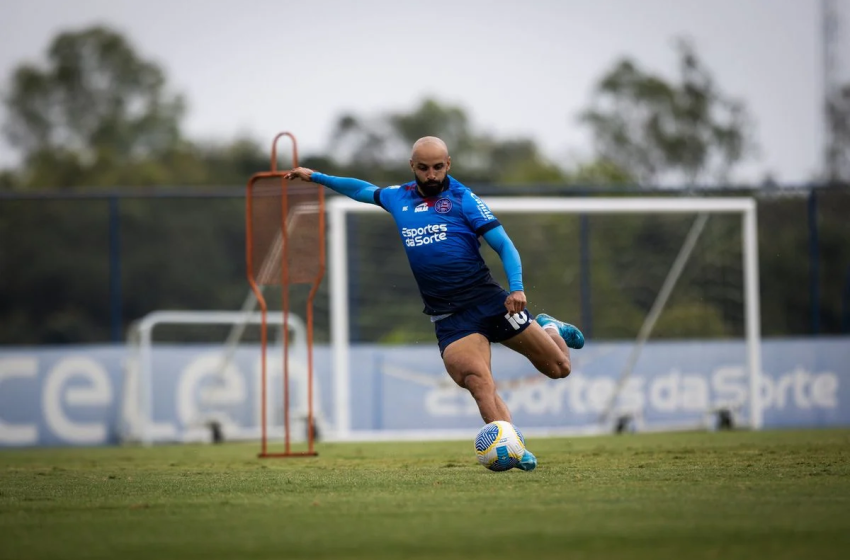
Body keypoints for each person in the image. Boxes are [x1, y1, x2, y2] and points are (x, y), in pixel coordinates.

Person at [284, 136, 584, 471]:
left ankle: (550, 326)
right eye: (423, 167)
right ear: (412, 166)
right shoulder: (398, 198)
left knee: (559, 369)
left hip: (490, 301)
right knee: (478, 380)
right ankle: (513, 448)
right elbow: (361, 189)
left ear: (448, 165)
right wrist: (317, 177)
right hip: (451, 316)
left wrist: (516, 288)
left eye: (437, 167)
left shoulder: (463, 199)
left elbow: (504, 245)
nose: (431, 174)